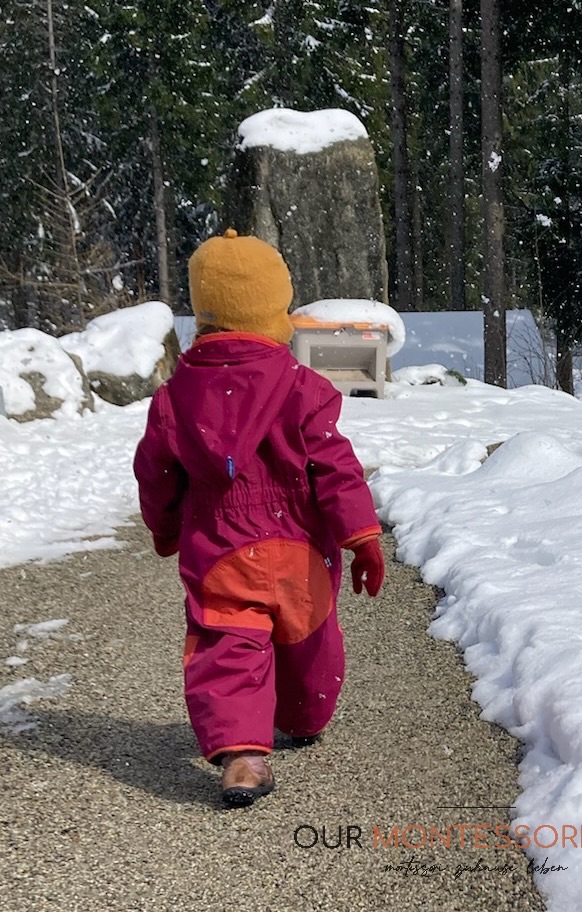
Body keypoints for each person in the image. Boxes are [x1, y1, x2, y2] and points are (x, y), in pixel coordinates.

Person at [133, 229, 385, 808]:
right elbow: (335, 466)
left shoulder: (175, 398)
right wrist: (361, 536)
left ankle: (244, 755)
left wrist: (166, 526)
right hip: (299, 548)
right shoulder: (303, 389)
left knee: (228, 642)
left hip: (221, 546)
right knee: (311, 640)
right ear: (276, 310)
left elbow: (156, 474)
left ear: (206, 313)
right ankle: (304, 715)